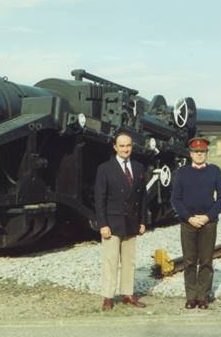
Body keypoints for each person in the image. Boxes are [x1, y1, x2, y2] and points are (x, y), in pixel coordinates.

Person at [170, 137, 221, 309]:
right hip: (188, 223)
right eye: (196, 152)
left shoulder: (215, 171)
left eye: (202, 152)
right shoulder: (181, 173)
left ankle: (203, 296)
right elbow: (175, 199)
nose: (199, 155)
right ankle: (191, 297)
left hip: (208, 223)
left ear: (206, 153)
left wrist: (208, 217)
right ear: (190, 154)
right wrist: (189, 218)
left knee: (206, 260)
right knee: (189, 261)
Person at [94, 131, 147, 311]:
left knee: (129, 260)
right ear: (115, 147)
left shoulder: (139, 167)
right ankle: (108, 297)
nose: (125, 149)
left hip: (132, 222)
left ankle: (127, 294)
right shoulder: (105, 169)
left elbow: (143, 197)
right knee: (110, 260)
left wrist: (142, 221)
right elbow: (99, 198)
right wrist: (102, 224)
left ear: (132, 146)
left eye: (128, 145)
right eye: (122, 146)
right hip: (112, 222)